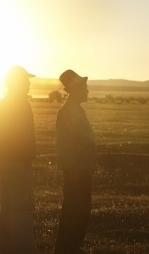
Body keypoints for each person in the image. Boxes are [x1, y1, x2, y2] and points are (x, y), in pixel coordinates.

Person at [0, 65, 36, 253]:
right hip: (17, 164)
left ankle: (6, 248)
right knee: (22, 210)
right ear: (16, 83)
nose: (29, 83)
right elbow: (21, 136)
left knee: (7, 209)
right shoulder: (20, 104)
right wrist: (22, 158)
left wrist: (0, 156)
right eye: (25, 80)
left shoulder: (4, 103)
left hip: (4, 162)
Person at [54, 70, 96, 254]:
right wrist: (73, 170)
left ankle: (71, 247)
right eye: (84, 87)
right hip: (76, 171)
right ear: (76, 89)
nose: (87, 90)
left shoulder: (74, 109)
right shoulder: (69, 111)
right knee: (74, 211)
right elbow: (67, 143)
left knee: (80, 211)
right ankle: (66, 249)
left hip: (81, 169)